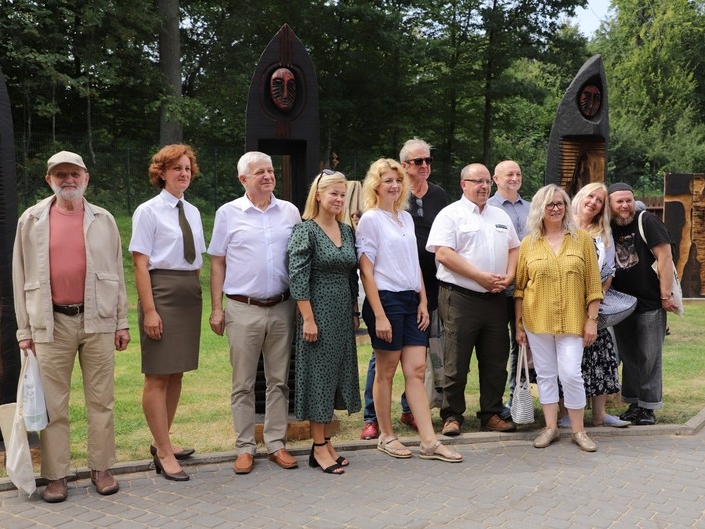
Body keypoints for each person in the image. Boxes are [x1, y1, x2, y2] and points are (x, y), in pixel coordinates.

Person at [12, 151, 130, 502]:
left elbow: (118, 273)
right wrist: (24, 330)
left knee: (101, 400)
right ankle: (56, 475)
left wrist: (121, 322)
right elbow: (19, 277)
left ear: (86, 178)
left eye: (74, 173)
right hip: (50, 323)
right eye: (60, 174)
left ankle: (102, 467)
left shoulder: (104, 220)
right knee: (53, 405)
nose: (68, 179)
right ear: (49, 179)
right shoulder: (30, 220)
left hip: (98, 320)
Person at [356, 158, 462, 463]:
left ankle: (429, 442)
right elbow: (367, 270)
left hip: (412, 300)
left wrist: (423, 301)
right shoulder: (371, 220)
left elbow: (414, 263)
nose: (394, 185)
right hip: (385, 301)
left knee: (416, 371)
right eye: (387, 180)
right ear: (375, 185)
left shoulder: (404, 219)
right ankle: (386, 436)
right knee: (386, 371)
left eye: (398, 180)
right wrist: (378, 314)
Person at [208, 151, 301, 475]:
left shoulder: (289, 212)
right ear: (243, 179)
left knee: (279, 382)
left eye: (271, 170)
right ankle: (245, 446)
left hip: (281, 306)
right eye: (260, 171)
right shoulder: (228, 213)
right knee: (243, 383)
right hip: (242, 308)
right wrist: (217, 308)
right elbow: (217, 261)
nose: (267, 176)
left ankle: (276, 443)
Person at [129, 144, 207, 481]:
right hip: (161, 294)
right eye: (177, 168)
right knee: (158, 374)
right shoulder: (147, 211)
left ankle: (164, 439)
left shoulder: (193, 212)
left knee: (176, 372)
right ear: (161, 172)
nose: (184, 173)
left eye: (188, 168)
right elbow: (140, 264)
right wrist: (150, 311)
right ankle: (162, 452)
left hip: (189, 293)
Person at [427, 163, 519, 436]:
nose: (483, 186)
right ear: (463, 184)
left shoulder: (499, 215)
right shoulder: (450, 215)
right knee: (456, 359)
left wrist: (509, 275)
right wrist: (480, 277)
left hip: (495, 299)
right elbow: (443, 254)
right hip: (460, 297)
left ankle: (490, 413)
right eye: (476, 181)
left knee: (495, 359)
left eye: (486, 182)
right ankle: (452, 415)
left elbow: (514, 248)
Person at [514, 184, 603, 452]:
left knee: (571, 374)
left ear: (566, 207)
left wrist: (592, 320)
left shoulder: (582, 240)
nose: (555, 208)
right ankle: (550, 427)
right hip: (536, 320)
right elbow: (519, 287)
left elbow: (593, 285)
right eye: (549, 204)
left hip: (574, 321)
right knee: (545, 374)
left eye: (560, 204)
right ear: (540, 209)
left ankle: (579, 430)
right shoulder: (528, 244)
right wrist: (519, 324)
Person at [287, 170, 361, 475]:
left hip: (342, 313)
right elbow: (298, 276)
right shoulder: (306, 230)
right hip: (317, 313)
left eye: (343, 194)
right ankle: (317, 448)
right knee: (318, 378)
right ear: (318, 195)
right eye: (334, 193)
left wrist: (355, 310)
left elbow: (351, 275)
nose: (339, 199)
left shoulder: (347, 230)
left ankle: (327, 441)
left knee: (335, 376)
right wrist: (308, 318)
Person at [608, 182, 680, 425]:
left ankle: (648, 408)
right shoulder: (607, 225)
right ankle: (633, 404)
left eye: (628, 200)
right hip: (620, 305)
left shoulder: (646, 221)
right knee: (629, 357)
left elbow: (665, 256)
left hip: (649, 303)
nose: (625, 206)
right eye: (619, 201)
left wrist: (665, 295)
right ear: (610, 204)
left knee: (649, 356)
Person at [566, 182, 629, 428]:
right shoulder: (563, 225)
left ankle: (599, 415)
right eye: (590, 196)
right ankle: (565, 414)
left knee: (600, 356)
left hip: (594, 304)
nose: (593, 202)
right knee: (568, 360)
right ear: (581, 196)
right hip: (565, 303)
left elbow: (610, 270)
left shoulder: (603, 232)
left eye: (599, 200)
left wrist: (597, 296)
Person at [487, 160, 532, 415]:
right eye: (509, 174)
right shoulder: (488, 208)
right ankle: (495, 403)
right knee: (497, 347)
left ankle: (518, 400)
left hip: (527, 289)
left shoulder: (532, 208)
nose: (514, 178)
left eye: (518, 173)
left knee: (522, 343)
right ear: (496, 179)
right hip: (496, 287)